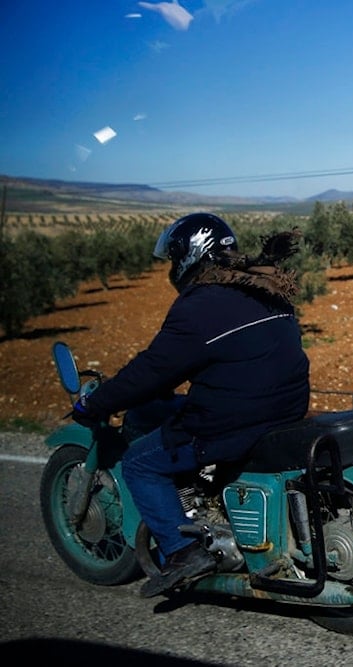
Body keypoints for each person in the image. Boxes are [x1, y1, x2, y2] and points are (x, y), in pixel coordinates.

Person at [72, 212, 311, 597]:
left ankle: (183, 551)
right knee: (174, 412)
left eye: (172, 259)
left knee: (139, 463)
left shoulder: (199, 306)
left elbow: (151, 371)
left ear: (189, 257)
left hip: (233, 422)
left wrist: (95, 404)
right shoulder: (262, 288)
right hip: (284, 408)